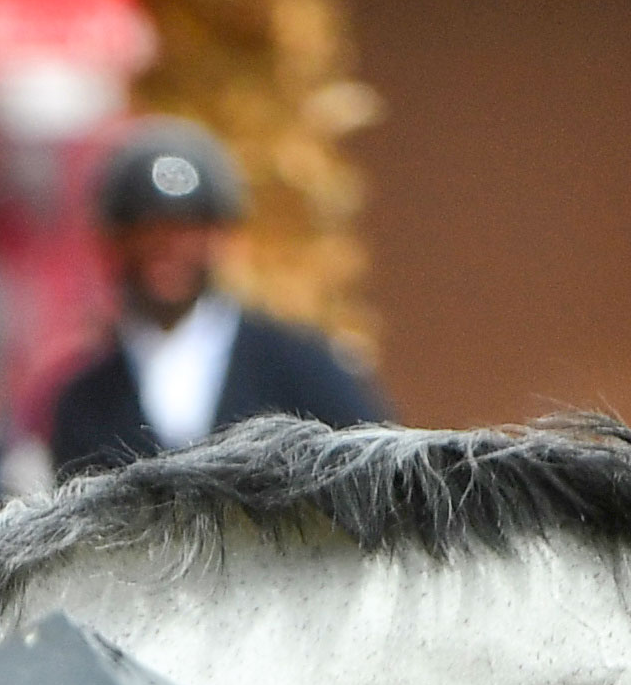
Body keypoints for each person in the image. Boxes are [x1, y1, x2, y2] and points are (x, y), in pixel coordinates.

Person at [36, 120, 390, 483]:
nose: (166, 250)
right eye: (146, 229)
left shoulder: (300, 369)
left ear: (222, 237)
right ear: (114, 240)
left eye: (187, 230)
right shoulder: (85, 401)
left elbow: (379, 480)